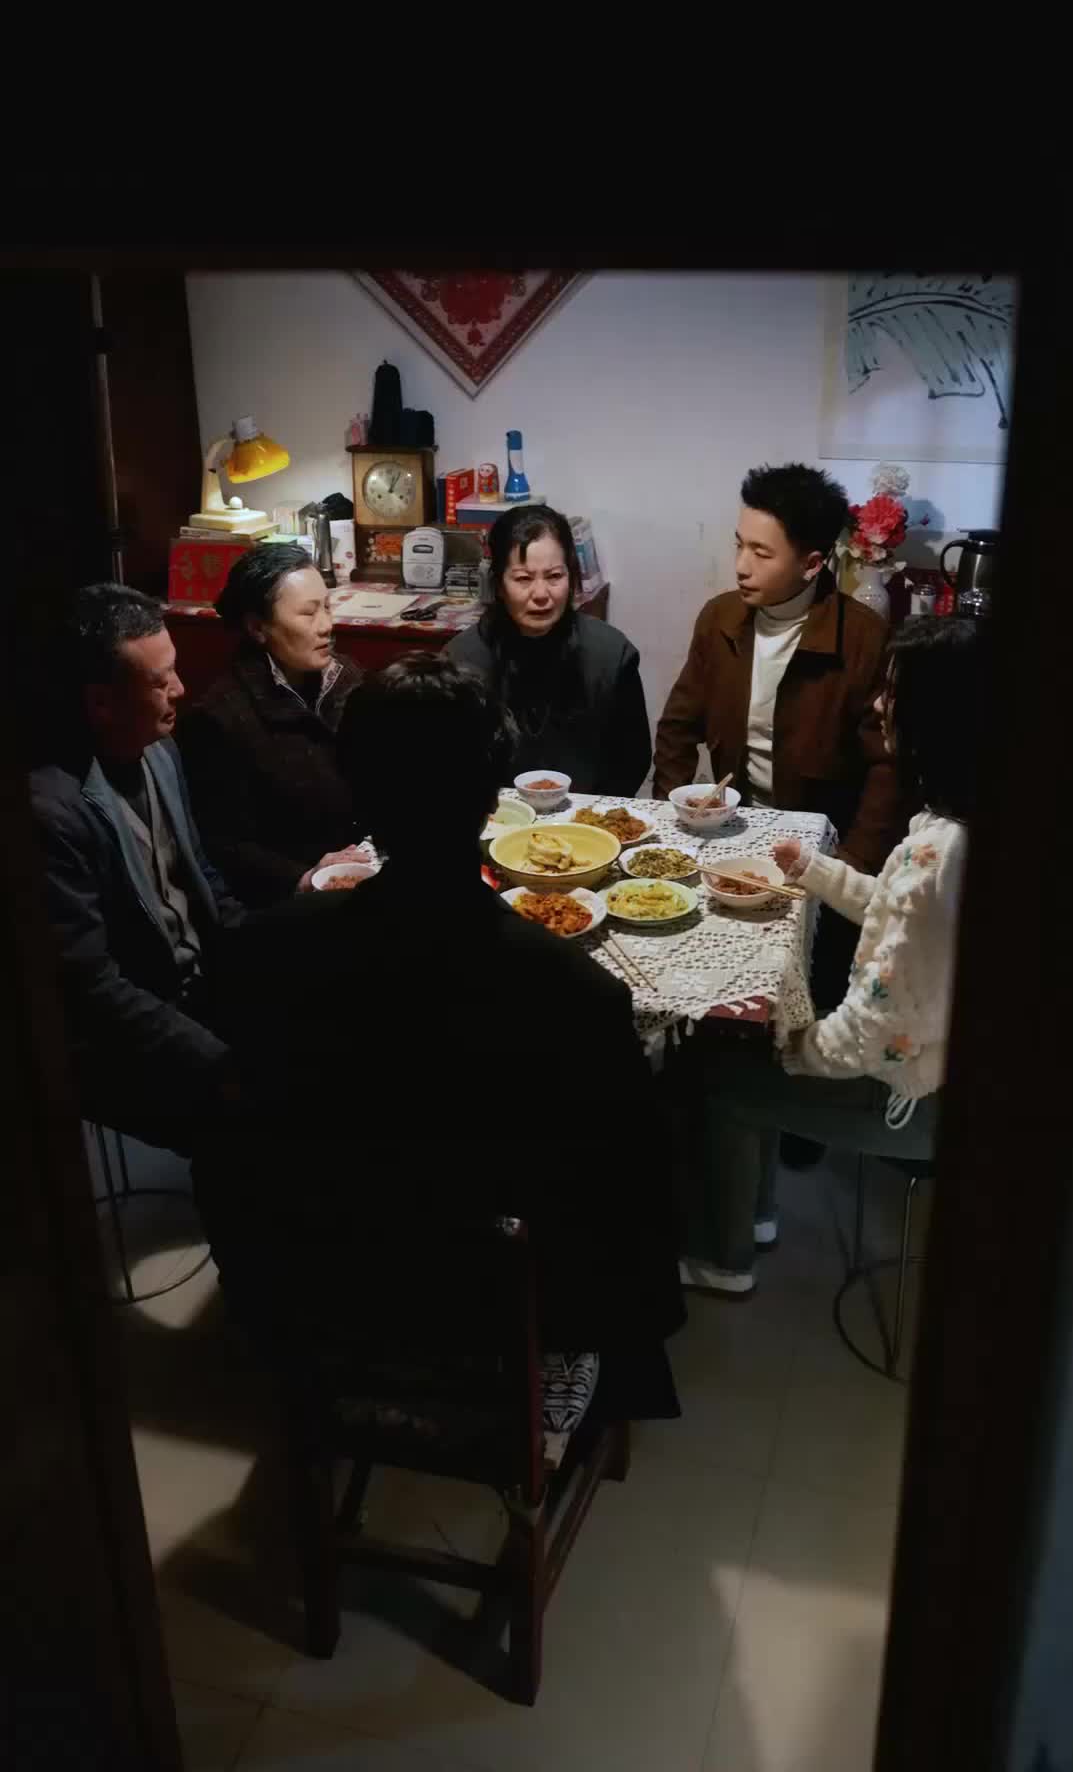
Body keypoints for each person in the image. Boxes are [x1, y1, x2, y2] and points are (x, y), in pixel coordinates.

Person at [196, 655, 685, 1418]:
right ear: (493, 800)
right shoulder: (573, 993)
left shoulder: (265, 952)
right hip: (505, 1321)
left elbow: (230, 1158)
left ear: (355, 789)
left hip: (322, 1300)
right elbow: (628, 1219)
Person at [679, 616, 976, 1295]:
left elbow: (876, 1026)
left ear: (938, 717)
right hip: (935, 1071)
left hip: (910, 1095)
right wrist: (813, 871)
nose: (880, 705)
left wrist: (796, 1047)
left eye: (895, 693)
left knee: (716, 1070)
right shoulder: (961, 822)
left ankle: (721, 1259)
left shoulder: (940, 854)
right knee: (746, 1042)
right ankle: (753, 1218)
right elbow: (897, 912)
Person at [28, 584, 248, 1154]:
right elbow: (91, 988)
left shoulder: (159, 749)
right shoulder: (52, 809)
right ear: (101, 703)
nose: (180, 689)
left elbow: (204, 882)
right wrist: (217, 1060)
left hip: (202, 992)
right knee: (259, 1118)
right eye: (159, 681)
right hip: (129, 1036)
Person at [653, 463, 897, 874]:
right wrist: (672, 818)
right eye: (739, 545)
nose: (741, 566)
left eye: (761, 553)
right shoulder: (719, 619)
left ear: (812, 564)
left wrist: (852, 863)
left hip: (824, 847)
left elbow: (887, 769)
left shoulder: (864, 638)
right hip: (734, 829)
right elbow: (678, 727)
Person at [178, 544, 366, 904]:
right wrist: (302, 877)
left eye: (327, 607)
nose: (326, 626)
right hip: (288, 903)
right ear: (257, 628)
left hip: (362, 869)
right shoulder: (219, 719)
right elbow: (222, 842)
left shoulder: (348, 677)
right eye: (308, 614)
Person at [446, 504, 651, 796]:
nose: (541, 594)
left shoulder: (611, 655)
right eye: (523, 579)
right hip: (496, 814)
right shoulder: (461, 662)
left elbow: (631, 759)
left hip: (589, 815)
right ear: (499, 585)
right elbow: (451, 766)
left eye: (554, 576)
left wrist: (591, 815)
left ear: (572, 577)